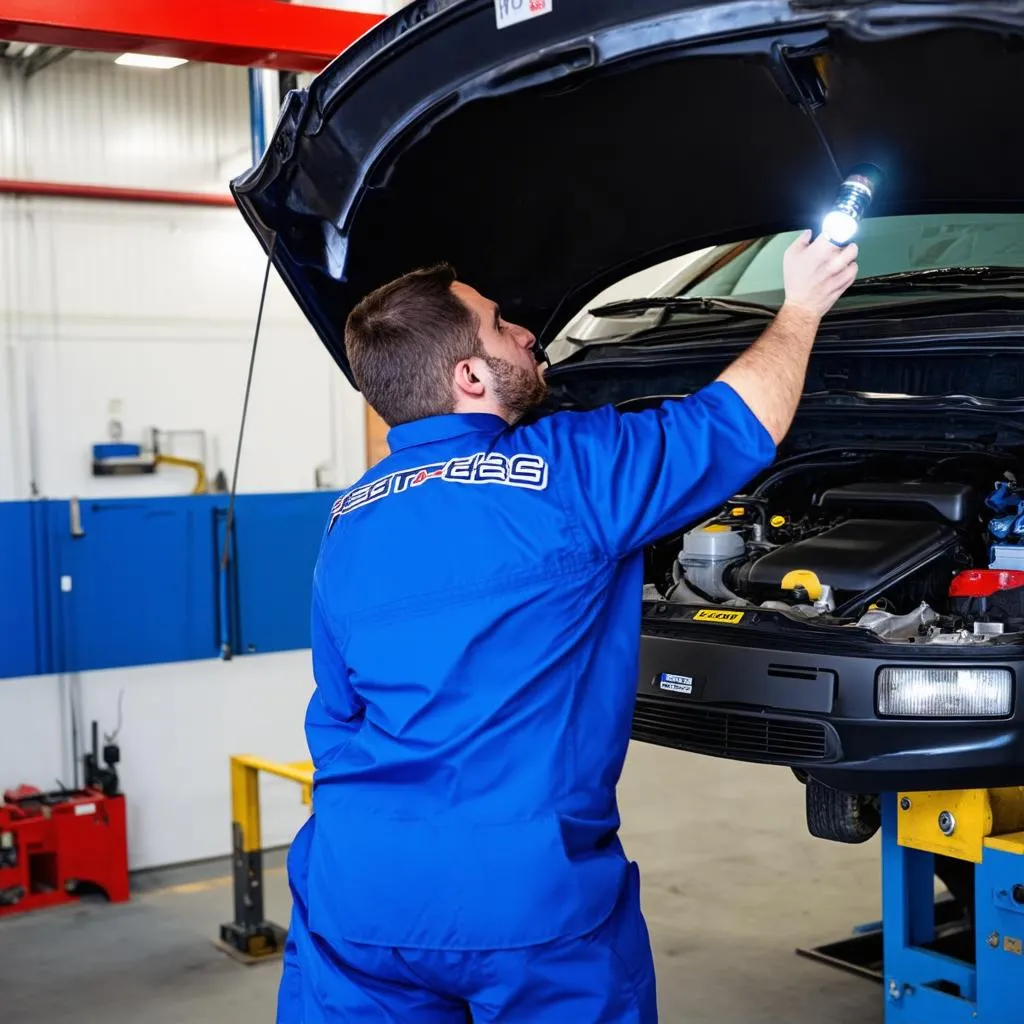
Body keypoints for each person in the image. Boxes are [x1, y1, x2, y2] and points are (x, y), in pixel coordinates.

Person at [277, 230, 859, 1023]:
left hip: (353, 887)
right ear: (470, 374)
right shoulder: (569, 469)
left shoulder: (348, 520)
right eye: (499, 325)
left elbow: (338, 710)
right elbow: (734, 427)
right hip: (522, 897)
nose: (526, 332)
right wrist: (803, 305)